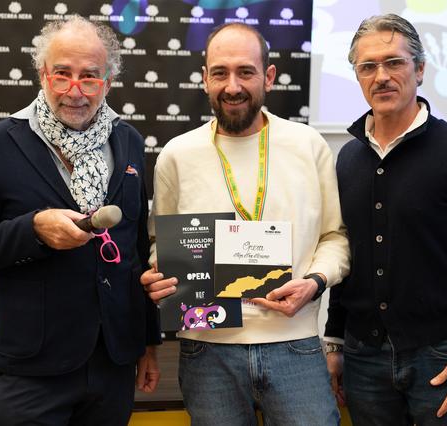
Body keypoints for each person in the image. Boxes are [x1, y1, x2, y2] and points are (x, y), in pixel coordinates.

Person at [0, 16, 161, 426]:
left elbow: (134, 252)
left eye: (89, 77)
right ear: (43, 74)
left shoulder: (129, 141)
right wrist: (33, 229)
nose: (74, 91)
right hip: (32, 370)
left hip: (112, 364)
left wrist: (148, 343)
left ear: (108, 82)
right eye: (62, 74)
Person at [141, 23, 350, 426]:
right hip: (206, 349)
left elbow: (334, 237)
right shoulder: (177, 155)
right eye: (220, 73)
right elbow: (158, 242)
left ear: (268, 77)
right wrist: (158, 271)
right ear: (205, 79)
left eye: (245, 72)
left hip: (294, 343)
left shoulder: (308, 145)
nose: (232, 86)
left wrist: (315, 281)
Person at [324, 14, 447, 426]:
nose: (381, 77)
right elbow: (348, 254)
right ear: (357, 76)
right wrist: (334, 341)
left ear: (421, 69)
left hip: (443, 356)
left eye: (394, 62)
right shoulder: (349, 158)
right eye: (368, 66)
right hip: (363, 359)